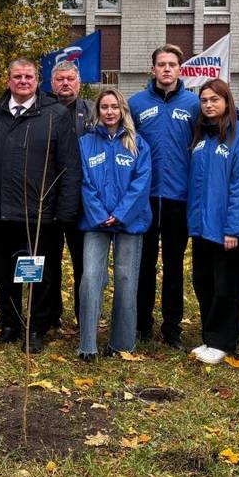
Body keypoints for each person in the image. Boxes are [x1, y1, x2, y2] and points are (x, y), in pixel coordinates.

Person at [0, 58, 80, 354]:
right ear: (8, 80)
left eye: (29, 76)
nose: (23, 81)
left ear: (37, 81)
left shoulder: (56, 115)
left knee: (37, 274)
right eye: (17, 76)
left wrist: (65, 211)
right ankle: (10, 323)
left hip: (38, 215)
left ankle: (36, 327)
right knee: (5, 272)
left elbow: (69, 167)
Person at [130, 44, 200, 350]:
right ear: (153, 69)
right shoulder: (135, 103)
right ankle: (141, 324)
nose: (167, 69)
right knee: (144, 265)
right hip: (145, 198)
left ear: (180, 69)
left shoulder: (195, 104)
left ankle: (172, 328)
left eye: (172, 64)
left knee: (173, 267)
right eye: (162, 64)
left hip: (178, 198)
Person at [76, 89, 151, 361]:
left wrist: (120, 214)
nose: (109, 112)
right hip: (95, 222)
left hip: (129, 222)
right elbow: (83, 181)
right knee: (90, 278)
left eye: (115, 107)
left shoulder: (138, 144)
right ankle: (87, 344)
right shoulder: (85, 143)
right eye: (104, 107)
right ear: (98, 111)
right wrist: (99, 213)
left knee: (125, 279)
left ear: (123, 111)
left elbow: (141, 184)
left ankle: (122, 343)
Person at [186, 79, 239, 365]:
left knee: (227, 284)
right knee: (203, 281)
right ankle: (211, 334)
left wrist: (233, 228)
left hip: (226, 228)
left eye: (215, 99)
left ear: (227, 102)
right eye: (204, 100)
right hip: (202, 225)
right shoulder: (202, 136)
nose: (209, 104)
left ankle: (223, 341)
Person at [49, 60, 93, 328]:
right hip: (50, 199)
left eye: (70, 79)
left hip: (84, 201)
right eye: (60, 79)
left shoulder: (92, 111)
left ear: (79, 82)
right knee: (50, 262)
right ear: (52, 83)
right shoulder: (44, 110)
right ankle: (51, 316)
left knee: (84, 265)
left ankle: (83, 316)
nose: (65, 83)